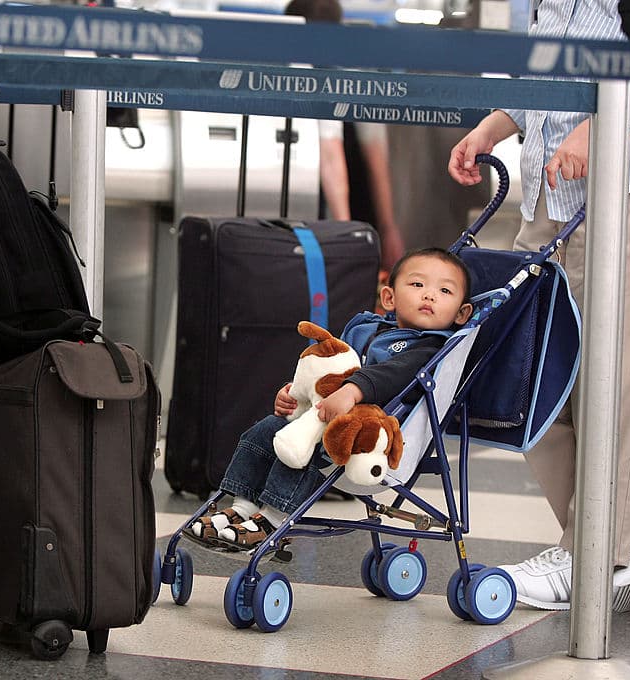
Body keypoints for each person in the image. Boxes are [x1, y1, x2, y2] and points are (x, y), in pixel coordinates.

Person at [447, 0, 630, 612]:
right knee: (531, 381)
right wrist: (492, 127)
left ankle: (600, 555)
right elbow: (544, 85)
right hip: (546, 213)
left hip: (614, 205)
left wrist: (600, 124)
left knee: (615, 390)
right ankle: (599, 548)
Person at [188, 248, 472, 549]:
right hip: (328, 417)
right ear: (388, 298)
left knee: (306, 446)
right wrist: (297, 394)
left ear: (461, 313)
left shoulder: (431, 350)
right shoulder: (368, 330)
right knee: (266, 430)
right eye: (417, 285)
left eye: (444, 290)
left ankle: (273, 517)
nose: (429, 295)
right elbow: (329, 371)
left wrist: (350, 390)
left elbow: (392, 375)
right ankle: (242, 505)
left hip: (369, 439)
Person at [283, 0, 406, 274]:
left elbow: (332, 155)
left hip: (319, 207)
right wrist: (385, 227)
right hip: (350, 204)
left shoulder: (303, 72)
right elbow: (375, 154)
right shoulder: (353, 71)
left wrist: (345, 233)